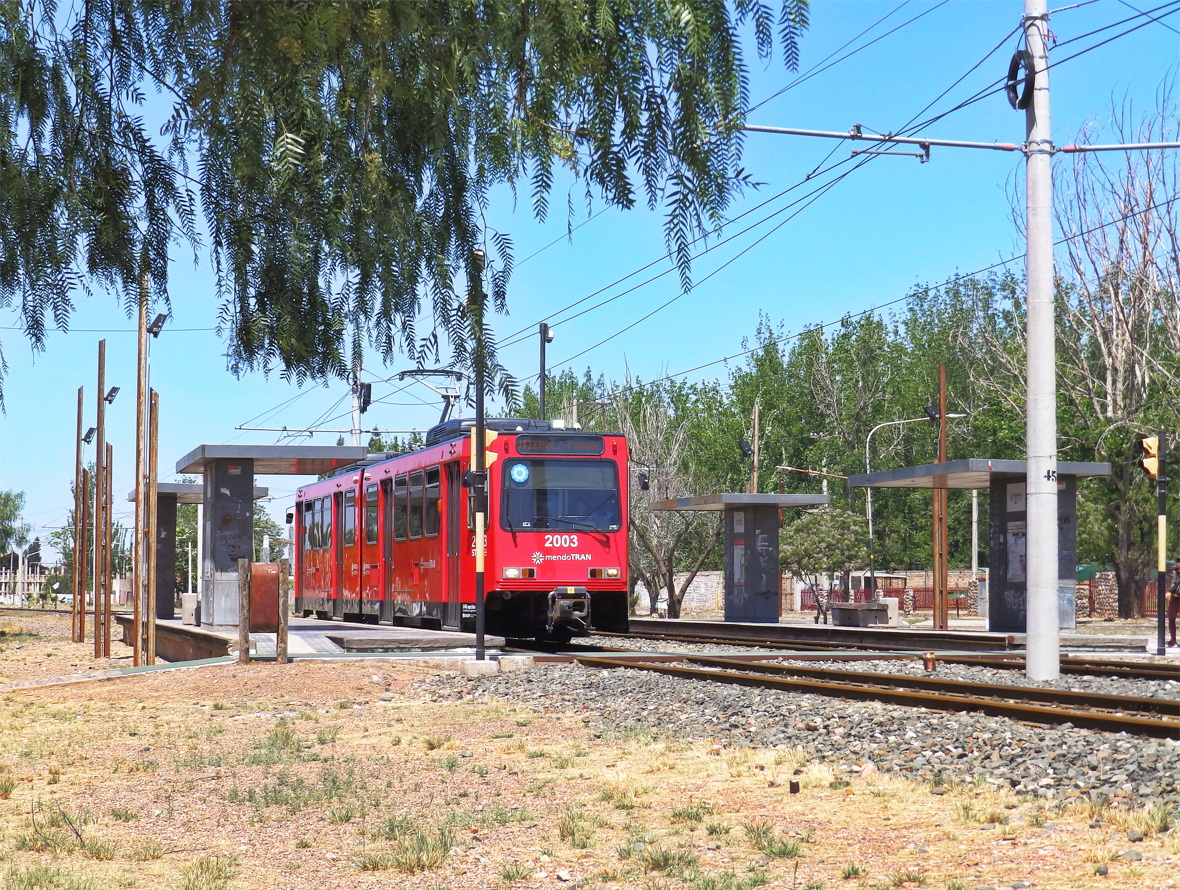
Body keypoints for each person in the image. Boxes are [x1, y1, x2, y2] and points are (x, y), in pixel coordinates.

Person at [1167, 558, 1180, 647]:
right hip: (1176, 596)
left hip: (1176, 596)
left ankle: (1173, 640)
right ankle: (1173, 640)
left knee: (1171, 619)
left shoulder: (1174, 569)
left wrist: (1169, 591)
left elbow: (1174, 582)